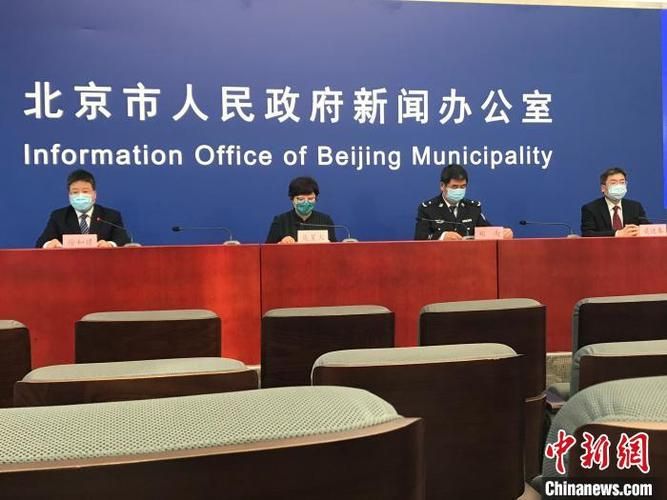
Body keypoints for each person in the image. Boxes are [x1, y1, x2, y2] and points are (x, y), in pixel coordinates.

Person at [414, 164, 513, 240]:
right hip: (438, 257)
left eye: (462, 186)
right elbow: (419, 238)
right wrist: (442, 237)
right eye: (454, 187)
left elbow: (487, 232)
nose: (459, 190)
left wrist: (501, 233)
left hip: (469, 257)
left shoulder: (473, 208)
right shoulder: (428, 209)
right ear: (442, 186)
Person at [36, 169, 130, 248]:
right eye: (75, 192)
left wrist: (110, 244)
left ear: (94, 194)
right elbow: (41, 243)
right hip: (70, 263)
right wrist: (49, 244)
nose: (80, 196)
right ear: (69, 195)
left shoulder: (110, 216)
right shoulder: (59, 216)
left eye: (85, 191)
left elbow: (124, 240)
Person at [266, 176, 337, 244]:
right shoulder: (280, 221)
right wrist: (280, 243)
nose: (306, 203)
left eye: (310, 199)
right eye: (301, 199)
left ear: (316, 199)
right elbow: (267, 249)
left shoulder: (325, 220)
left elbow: (335, 248)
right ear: (292, 199)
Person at [581, 167, 647, 237]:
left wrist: (641, 230)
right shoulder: (591, 209)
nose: (619, 186)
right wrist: (617, 234)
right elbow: (587, 234)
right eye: (613, 183)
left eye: (622, 182)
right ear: (603, 188)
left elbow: (647, 227)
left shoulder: (635, 207)